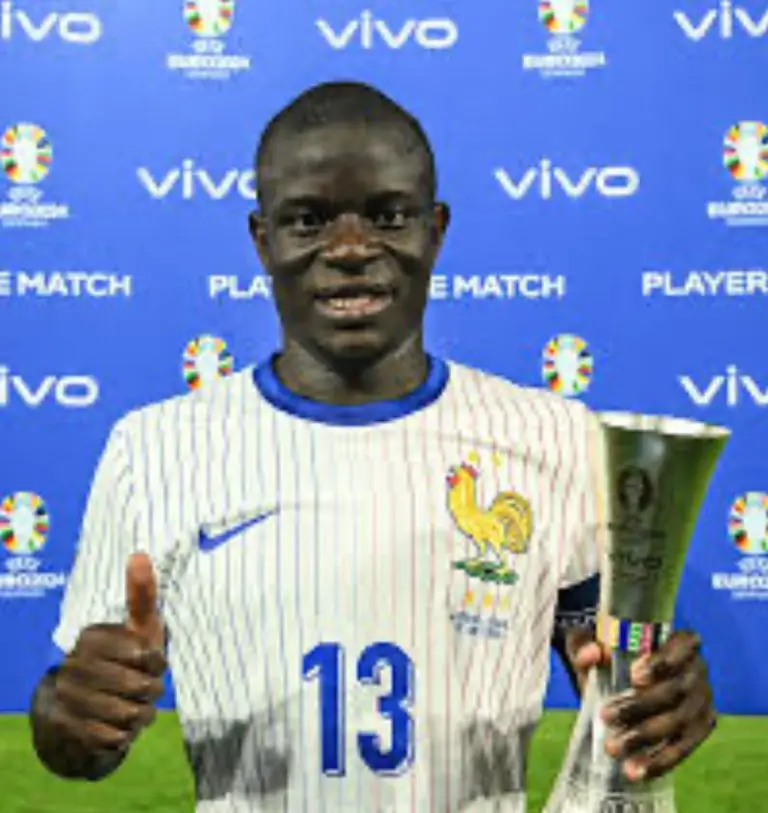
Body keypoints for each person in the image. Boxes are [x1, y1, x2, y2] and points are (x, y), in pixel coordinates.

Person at [29, 81, 715, 812]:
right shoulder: (153, 450)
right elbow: (79, 733)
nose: (351, 248)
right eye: (308, 220)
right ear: (262, 241)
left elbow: (606, 672)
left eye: (389, 215)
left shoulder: (554, 436)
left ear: (436, 230)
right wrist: (69, 713)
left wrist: (660, 697)